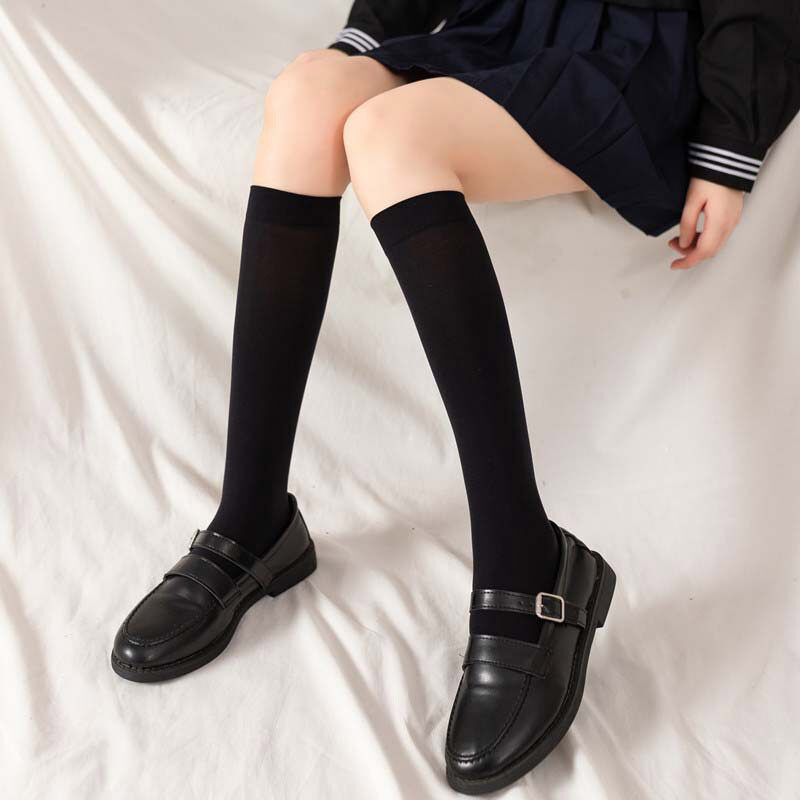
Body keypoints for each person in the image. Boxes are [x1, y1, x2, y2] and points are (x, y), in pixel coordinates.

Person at [110, 0, 800, 793]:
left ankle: (527, 560)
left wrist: (730, 146)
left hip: (631, 50)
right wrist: (367, 42)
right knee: (307, 92)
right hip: (506, 24)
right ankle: (252, 516)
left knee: (391, 135)